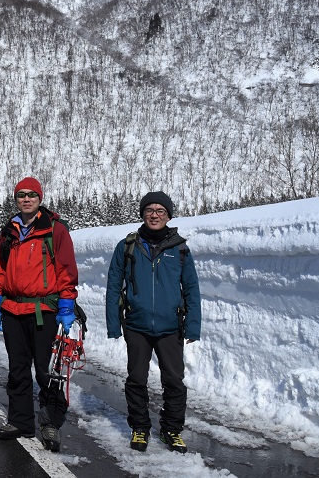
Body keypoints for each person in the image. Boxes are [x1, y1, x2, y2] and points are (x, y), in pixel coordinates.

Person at [105, 191, 201, 454]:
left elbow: (191, 289)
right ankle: (140, 427)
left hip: (170, 327)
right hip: (136, 325)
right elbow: (113, 286)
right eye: (149, 210)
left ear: (168, 216)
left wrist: (193, 325)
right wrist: (114, 324)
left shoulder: (180, 249)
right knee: (137, 379)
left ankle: (172, 430)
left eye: (160, 211)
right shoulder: (127, 246)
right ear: (142, 214)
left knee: (174, 381)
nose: (154, 215)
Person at [0, 177, 78, 452]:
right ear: (16, 199)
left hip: (43, 310)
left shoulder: (55, 229)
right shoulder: (9, 230)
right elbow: (0, 268)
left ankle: (50, 422)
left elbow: (66, 269)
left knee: (46, 369)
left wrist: (67, 305)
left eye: (31, 195)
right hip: (13, 309)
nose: (26, 199)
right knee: (17, 368)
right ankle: (20, 421)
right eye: (21, 195)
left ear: (40, 198)